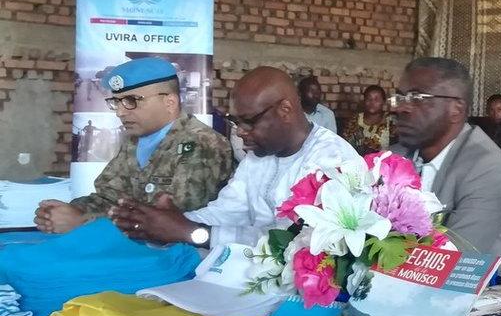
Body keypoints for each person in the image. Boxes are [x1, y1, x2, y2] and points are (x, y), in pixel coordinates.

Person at [109, 66, 359, 248]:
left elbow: (295, 244)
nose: (239, 132)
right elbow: (227, 211)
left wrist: (194, 233)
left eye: (248, 121)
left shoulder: (332, 160)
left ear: (285, 110)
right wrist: (165, 223)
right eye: (235, 121)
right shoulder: (260, 155)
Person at [34, 57, 233, 235]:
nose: (120, 112)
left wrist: (83, 222)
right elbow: (108, 197)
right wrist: (68, 212)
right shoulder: (136, 140)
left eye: (131, 101)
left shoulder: (200, 144)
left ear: (170, 102)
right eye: (116, 102)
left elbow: (172, 222)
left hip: (181, 258)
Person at [387, 58, 501, 279]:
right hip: (398, 284)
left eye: (416, 98)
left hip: (478, 291)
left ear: (456, 110)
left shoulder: (486, 167)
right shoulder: (395, 156)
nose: (400, 107)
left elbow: (450, 261)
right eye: (400, 97)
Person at [341, 85, 391, 155]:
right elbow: (344, 146)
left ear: (383, 101)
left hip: (386, 161)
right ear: (364, 100)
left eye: (376, 99)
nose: (372, 102)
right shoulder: (353, 120)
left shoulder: (391, 121)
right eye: (369, 98)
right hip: (356, 160)